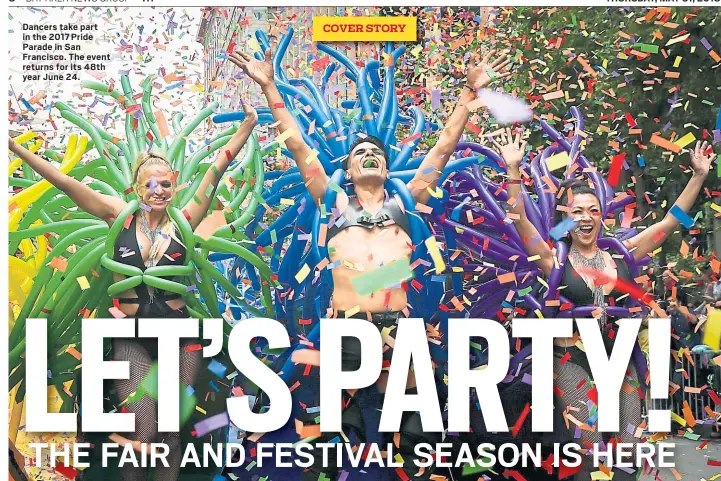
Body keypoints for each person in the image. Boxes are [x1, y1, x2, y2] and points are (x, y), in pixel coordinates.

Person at [230, 47, 511, 480]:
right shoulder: (336, 204)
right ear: (346, 167)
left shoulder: (405, 203)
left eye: (376, 152)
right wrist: (269, 86)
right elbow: (299, 147)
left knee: (417, 440)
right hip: (345, 335)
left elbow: (441, 149)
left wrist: (466, 97)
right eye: (360, 152)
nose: (370, 155)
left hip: (401, 334)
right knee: (343, 445)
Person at [7, 101, 258, 481]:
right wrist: (15, 148)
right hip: (127, 331)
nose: (158, 191)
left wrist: (248, 126)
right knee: (134, 421)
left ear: (174, 184)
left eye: (166, 184)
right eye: (150, 184)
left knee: (172, 423)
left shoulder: (186, 219)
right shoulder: (116, 213)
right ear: (136, 187)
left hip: (176, 331)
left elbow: (217, 167)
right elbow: (64, 181)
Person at [499, 130, 715, 481]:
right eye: (577, 212)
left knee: (629, 450)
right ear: (567, 221)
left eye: (593, 210)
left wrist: (699, 176)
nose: (586, 217)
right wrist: (512, 170)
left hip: (620, 360)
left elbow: (670, 221)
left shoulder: (622, 253)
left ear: (601, 217)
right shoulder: (554, 259)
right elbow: (519, 220)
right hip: (573, 361)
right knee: (589, 450)